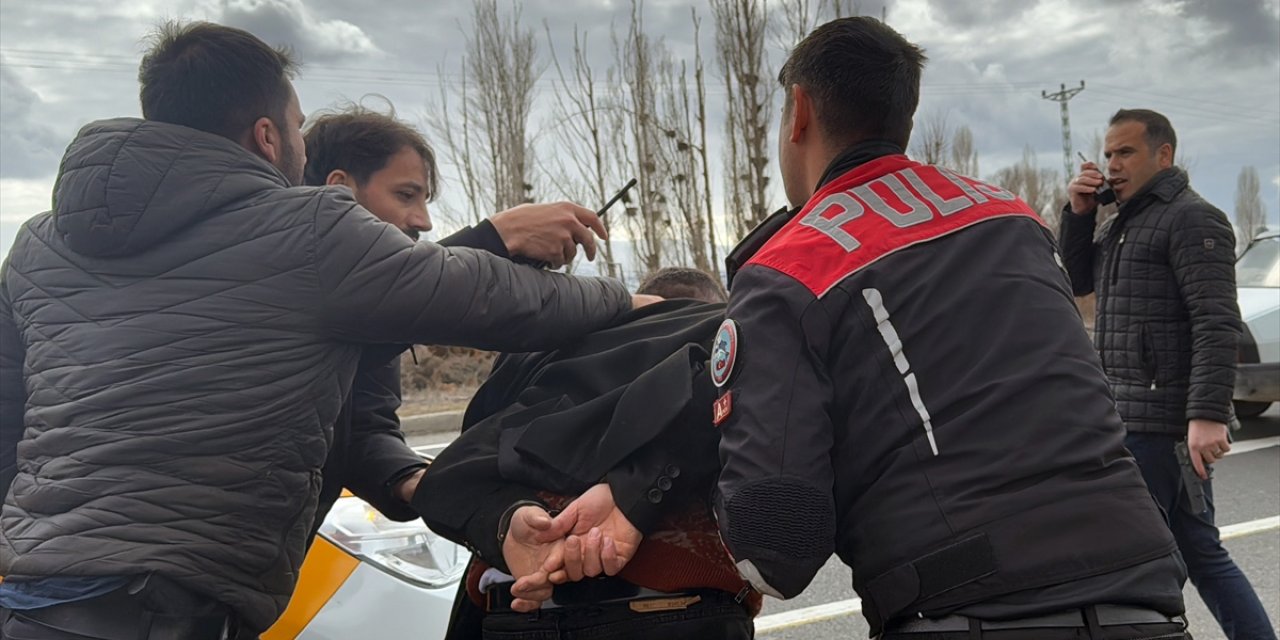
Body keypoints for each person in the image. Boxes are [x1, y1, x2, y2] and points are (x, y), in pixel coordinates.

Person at [0, 21, 652, 640]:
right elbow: (492, 300)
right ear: (266, 136)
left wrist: (425, 487)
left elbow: (9, 424)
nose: (301, 148)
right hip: (163, 607)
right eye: (296, 128)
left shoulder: (35, 248)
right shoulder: (306, 229)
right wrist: (628, 302)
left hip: (35, 597)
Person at [707, 17, 1191, 639]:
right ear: (903, 116)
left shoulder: (790, 264)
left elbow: (776, 548)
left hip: (969, 609)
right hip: (1146, 594)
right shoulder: (1013, 217)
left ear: (798, 111)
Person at [298, 104, 613, 539]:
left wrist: (421, 480)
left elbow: (362, 432)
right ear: (341, 190)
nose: (422, 222)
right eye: (406, 195)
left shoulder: (372, 320)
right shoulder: (286, 274)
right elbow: (429, 293)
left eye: (425, 201)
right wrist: (497, 239)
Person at [416, 268, 757, 640]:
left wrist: (507, 519)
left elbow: (448, 475)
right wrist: (634, 491)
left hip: (516, 610)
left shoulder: (545, 358)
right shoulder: (729, 340)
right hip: (678, 609)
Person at [1061, 109, 1276, 640]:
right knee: (1192, 554)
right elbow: (1078, 279)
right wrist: (1080, 212)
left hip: (1165, 426)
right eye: (1108, 153)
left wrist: (1206, 416)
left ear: (1164, 155)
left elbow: (1217, 320)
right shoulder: (1125, 222)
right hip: (1128, 416)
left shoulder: (1193, 219)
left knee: (1141, 559)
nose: (1112, 164)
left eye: (1125, 152)